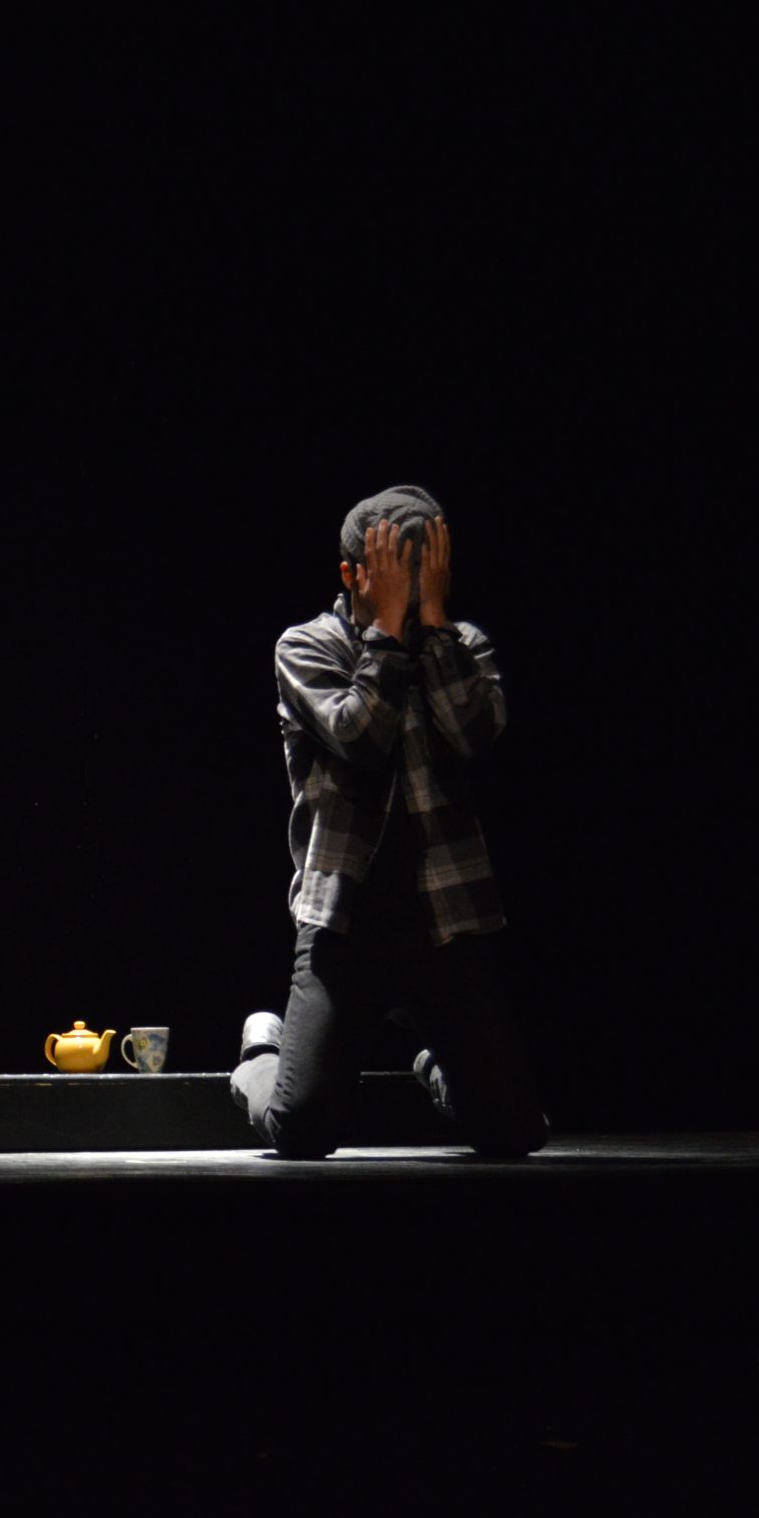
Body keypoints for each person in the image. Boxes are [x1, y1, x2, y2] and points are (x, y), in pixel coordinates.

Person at [232, 486, 548, 1159]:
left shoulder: (463, 646)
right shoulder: (308, 646)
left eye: (423, 571)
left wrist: (431, 628)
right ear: (352, 574)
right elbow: (361, 735)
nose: (408, 588)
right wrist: (390, 636)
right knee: (303, 1128)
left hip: (444, 919)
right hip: (347, 923)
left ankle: (438, 1067)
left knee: (516, 1132)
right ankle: (262, 1052)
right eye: (392, 574)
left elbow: (473, 736)